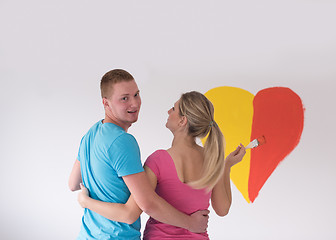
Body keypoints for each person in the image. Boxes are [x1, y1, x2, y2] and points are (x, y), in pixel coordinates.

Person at [77, 91, 247, 239]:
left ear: (183, 121)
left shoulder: (158, 161)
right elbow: (222, 209)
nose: (168, 111)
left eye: (173, 109)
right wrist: (226, 167)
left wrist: (86, 201)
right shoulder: (212, 160)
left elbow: (131, 211)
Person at [68, 70, 209, 240]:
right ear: (106, 103)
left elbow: (73, 184)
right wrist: (191, 224)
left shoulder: (91, 134)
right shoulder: (122, 141)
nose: (134, 103)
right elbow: (134, 212)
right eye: (124, 98)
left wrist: (88, 200)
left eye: (136, 94)